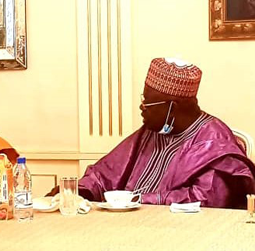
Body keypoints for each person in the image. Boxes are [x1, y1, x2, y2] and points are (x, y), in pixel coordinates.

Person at [73, 57, 255, 208]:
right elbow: (106, 173)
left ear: (172, 108)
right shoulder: (153, 131)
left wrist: (137, 200)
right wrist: (78, 190)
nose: (142, 107)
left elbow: (206, 199)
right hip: (127, 224)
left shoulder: (214, 142)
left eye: (148, 103)